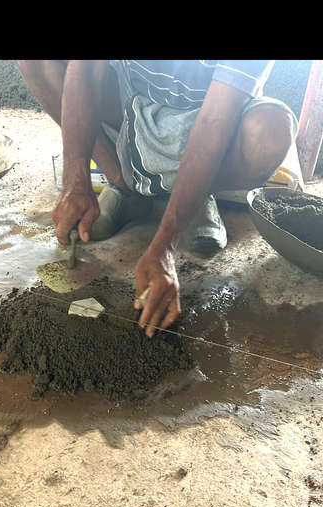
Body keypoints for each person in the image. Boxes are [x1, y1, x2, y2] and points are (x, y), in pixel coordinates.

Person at [16, 59, 297, 338]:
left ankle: (194, 197)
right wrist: (75, 181)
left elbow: (214, 122)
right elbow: (87, 69)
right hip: (133, 94)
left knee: (270, 131)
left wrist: (165, 242)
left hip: (208, 111)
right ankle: (124, 185)